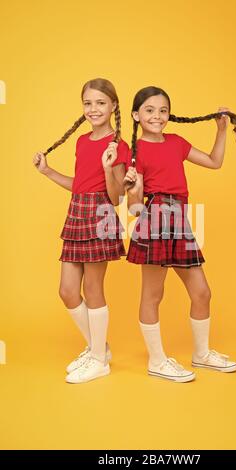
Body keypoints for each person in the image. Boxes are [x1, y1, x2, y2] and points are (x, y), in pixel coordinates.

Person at [124, 86, 236, 382]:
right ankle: (157, 360)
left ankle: (201, 355)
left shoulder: (176, 142)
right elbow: (134, 207)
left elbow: (215, 162)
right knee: (153, 294)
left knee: (202, 292)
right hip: (155, 217)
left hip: (180, 219)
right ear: (136, 115)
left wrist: (222, 129)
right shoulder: (134, 150)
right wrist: (133, 189)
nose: (157, 116)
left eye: (163, 110)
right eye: (149, 110)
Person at [33, 78, 128, 384]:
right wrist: (47, 171)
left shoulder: (119, 145)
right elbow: (79, 185)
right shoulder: (82, 141)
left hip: (100, 213)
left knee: (93, 290)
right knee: (67, 291)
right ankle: (99, 349)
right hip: (77, 210)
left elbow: (117, 198)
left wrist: (107, 168)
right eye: (88, 103)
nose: (93, 109)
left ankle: (99, 360)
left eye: (100, 102)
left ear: (113, 105)